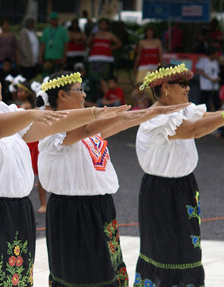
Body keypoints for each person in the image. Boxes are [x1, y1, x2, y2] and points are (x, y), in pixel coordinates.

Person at [0, 48, 129, 286]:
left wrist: (93, 113)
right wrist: (31, 114)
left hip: (13, 211)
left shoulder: (3, 112)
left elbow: (49, 125)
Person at [36, 71, 186, 287]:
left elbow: (121, 123)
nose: (84, 94)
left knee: (107, 269)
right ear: (62, 95)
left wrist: (154, 112)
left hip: (99, 206)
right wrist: (107, 115)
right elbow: (88, 128)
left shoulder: (87, 129)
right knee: (82, 274)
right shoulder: (53, 130)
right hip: (73, 211)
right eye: (79, 89)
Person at [133, 64, 224, 287]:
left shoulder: (181, 109)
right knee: (164, 251)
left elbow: (204, 117)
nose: (187, 88)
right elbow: (194, 130)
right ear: (165, 87)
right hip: (160, 191)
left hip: (184, 186)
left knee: (189, 248)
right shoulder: (155, 119)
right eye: (182, 84)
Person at [197, 46, 221, 111]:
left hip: (214, 86)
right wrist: (210, 78)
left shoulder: (215, 62)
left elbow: (216, 72)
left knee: (217, 102)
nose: (217, 55)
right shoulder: (203, 61)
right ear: (212, 54)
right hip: (206, 86)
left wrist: (217, 78)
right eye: (216, 53)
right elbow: (199, 71)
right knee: (203, 102)